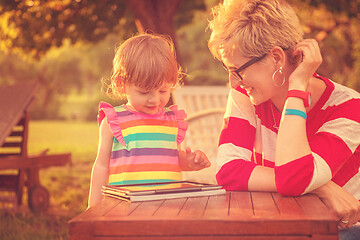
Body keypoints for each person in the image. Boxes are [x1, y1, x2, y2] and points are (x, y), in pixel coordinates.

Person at [207, 0, 360, 238]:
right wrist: (322, 187)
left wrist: (296, 89)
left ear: (276, 58)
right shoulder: (246, 95)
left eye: (238, 70)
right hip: (278, 223)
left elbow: (293, 178)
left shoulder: (349, 107)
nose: (233, 82)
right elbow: (228, 169)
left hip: (340, 230)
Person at [88, 33, 210, 208]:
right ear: (122, 83)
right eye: (144, 92)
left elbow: (171, 158)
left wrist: (191, 161)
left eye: (163, 91)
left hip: (168, 206)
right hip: (124, 207)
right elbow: (101, 166)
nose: (154, 100)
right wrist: (93, 206)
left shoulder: (172, 121)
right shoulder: (114, 121)